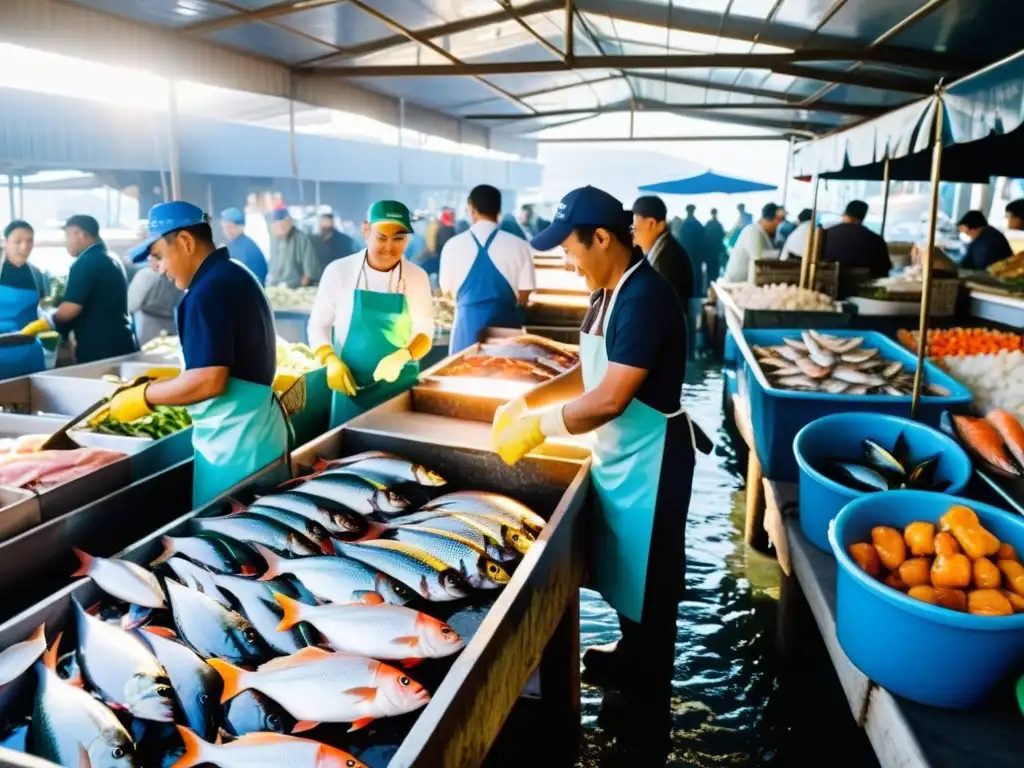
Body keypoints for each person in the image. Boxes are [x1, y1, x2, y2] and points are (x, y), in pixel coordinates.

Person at [492, 185, 695, 765]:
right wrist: (528, 400)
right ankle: (631, 658)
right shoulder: (605, 293)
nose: (566, 260)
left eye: (570, 248)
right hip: (621, 457)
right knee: (628, 572)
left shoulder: (646, 296)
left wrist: (540, 428)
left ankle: (649, 711)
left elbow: (608, 398)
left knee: (652, 589)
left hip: (653, 461)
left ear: (603, 238)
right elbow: (587, 371)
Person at [124, 202, 288, 507]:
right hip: (258, 437)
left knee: (229, 542)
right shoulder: (234, 273)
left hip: (234, 451)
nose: (156, 268)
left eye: (158, 256)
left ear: (185, 242)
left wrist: (144, 397)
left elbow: (210, 381)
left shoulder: (206, 292)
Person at [307, 200, 434, 428]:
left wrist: (403, 356)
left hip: (399, 390)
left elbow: (426, 329)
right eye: (382, 238)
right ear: (366, 230)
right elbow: (318, 325)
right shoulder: (339, 271)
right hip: (350, 387)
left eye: (399, 238)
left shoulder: (417, 277)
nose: (389, 247)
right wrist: (330, 360)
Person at [21, 215, 137, 363]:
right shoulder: (111, 257)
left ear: (80, 235)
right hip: (124, 342)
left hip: (101, 349)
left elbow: (70, 310)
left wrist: (48, 319)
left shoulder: (86, 262)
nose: (65, 242)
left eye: (67, 235)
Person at [440, 185, 535, 353]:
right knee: (507, 376)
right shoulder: (520, 246)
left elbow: (446, 290)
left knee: (462, 376)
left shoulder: (452, 246)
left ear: (471, 208)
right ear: (499, 210)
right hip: (506, 334)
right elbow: (524, 296)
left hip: (466, 334)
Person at [631, 196, 693, 304]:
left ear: (652, 224)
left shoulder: (670, 259)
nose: (633, 234)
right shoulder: (663, 250)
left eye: (635, 228)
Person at [819, 200, 891, 278]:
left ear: (844, 214)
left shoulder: (824, 234)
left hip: (827, 284)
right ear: (863, 217)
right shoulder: (876, 240)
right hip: (862, 286)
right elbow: (884, 269)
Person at [0, 221, 46, 330]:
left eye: (29, 241)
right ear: (5, 242)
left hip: (28, 342)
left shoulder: (36, 274)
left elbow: (42, 308)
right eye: (17, 241)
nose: (24, 247)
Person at [127, 255, 182, 346]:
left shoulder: (145, 275)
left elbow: (131, 305)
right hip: (171, 324)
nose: (149, 258)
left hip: (147, 325)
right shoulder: (177, 275)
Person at [723, 203, 781, 283]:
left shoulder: (763, 233)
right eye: (779, 220)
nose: (779, 224)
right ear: (770, 218)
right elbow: (760, 262)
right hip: (734, 287)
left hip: (744, 287)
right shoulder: (753, 231)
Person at [267, 208, 318, 288]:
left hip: (295, 290)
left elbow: (309, 273)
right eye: (276, 225)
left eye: (283, 224)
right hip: (275, 288)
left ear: (290, 222)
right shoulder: (273, 240)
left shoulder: (302, 239)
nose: (279, 227)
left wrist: (298, 292)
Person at [219, 208, 267, 285]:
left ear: (240, 227)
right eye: (224, 227)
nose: (226, 230)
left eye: (229, 227)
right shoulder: (230, 245)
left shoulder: (248, 248)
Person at [311, 206, 358, 279]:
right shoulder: (313, 241)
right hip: (318, 281)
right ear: (318, 221)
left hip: (339, 279)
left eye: (328, 218)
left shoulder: (345, 241)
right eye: (323, 218)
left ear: (332, 221)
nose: (326, 221)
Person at [680, 203, 707, 296]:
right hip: (696, 255)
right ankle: (696, 294)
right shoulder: (698, 224)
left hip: (687, 255)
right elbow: (703, 240)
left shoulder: (684, 225)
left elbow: (681, 240)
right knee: (696, 276)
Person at [704, 208, 726, 280]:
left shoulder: (708, 224)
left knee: (709, 272)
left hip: (709, 251)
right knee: (715, 272)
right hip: (716, 251)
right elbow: (722, 236)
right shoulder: (718, 224)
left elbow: (704, 236)